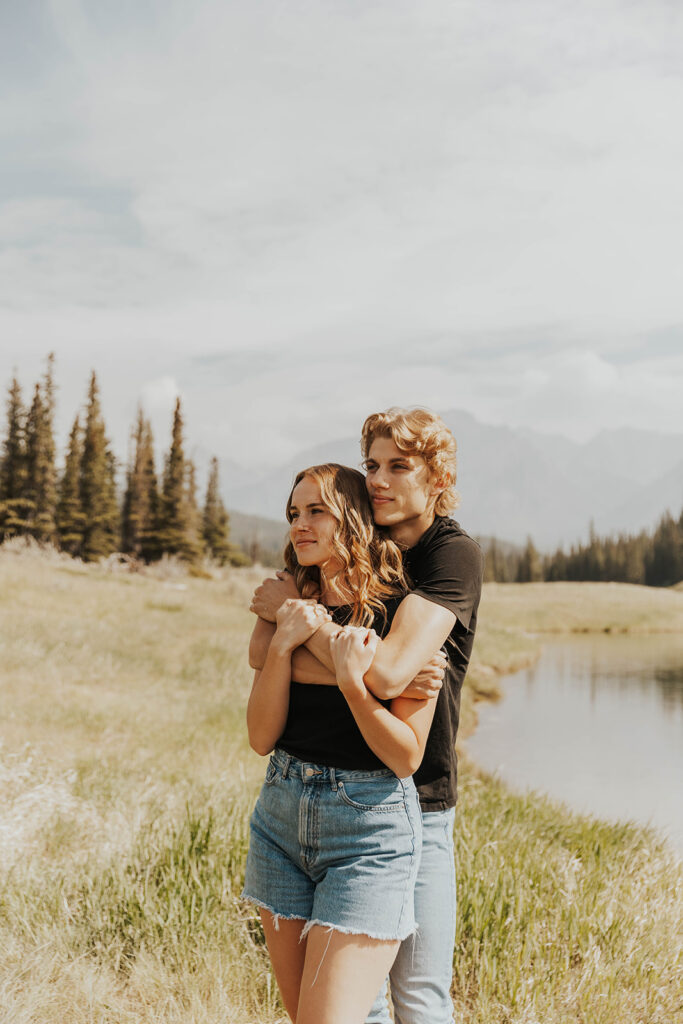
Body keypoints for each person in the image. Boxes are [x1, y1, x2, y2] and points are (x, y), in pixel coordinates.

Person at [250, 408, 483, 1024]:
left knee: (419, 996)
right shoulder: (348, 563)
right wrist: (301, 634)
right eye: (372, 465)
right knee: (362, 1003)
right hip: (312, 794)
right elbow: (295, 664)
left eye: (398, 467)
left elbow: (384, 676)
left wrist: (299, 626)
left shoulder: (447, 556)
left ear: (438, 478)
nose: (379, 479)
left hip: (416, 796)